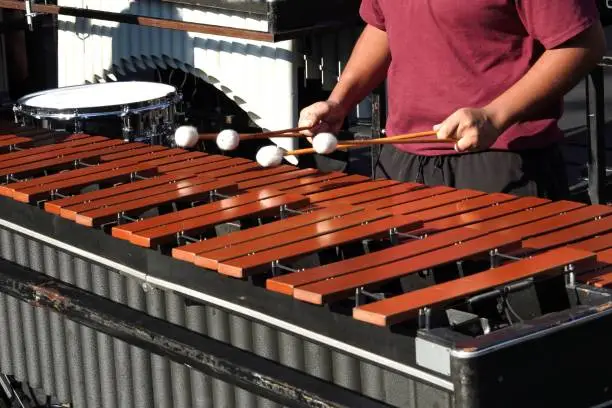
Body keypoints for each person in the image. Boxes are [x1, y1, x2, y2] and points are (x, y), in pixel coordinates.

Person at [299, 1, 606, 200]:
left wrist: (495, 116)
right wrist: (340, 101)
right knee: (407, 298)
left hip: (500, 161)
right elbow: (383, 26)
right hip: (401, 159)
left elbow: (583, 44)